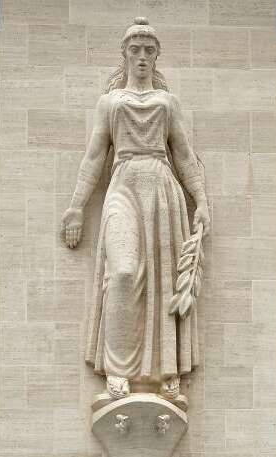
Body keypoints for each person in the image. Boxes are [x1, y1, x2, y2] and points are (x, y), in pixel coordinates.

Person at [60, 18, 209, 404]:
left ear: (155, 55)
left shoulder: (167, 103)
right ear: (125, 54)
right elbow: (94, 157)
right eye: (135, 49)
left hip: (161, 188)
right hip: (122, 184)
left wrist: (202, 200)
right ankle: (117, 371)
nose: (141, 56)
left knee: (163, 283)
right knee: (123, 274)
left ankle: (166, 373)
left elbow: (184, 155)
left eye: (148, 50)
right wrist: (76, 208)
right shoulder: (110, 103)